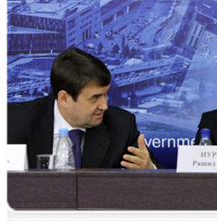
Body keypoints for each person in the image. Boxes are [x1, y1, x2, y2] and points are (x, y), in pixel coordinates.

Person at [6, 48, 162, 169]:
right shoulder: (10, 123)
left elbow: (164, 184)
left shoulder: (121, 126)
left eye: (105, 95)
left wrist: (149, 170)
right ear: (64, 98)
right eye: (95, 98)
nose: (104, 106)